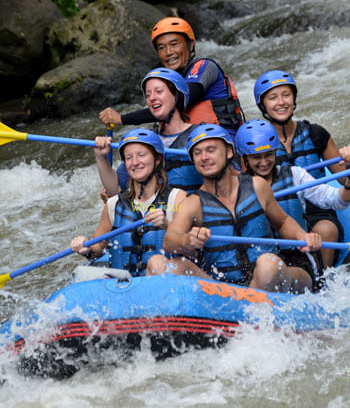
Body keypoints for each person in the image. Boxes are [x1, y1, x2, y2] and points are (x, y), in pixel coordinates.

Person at [147, 124, 321, 294]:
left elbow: (283, 222)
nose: (204, 157)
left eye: (211, 150)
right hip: (225, 290)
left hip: (273, 277)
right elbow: (169, 241)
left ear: (229, 152)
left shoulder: (257, 186)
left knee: (269, 264)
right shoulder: (193, 203)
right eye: (197, 153)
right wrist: (187, 241)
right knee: (157, 263)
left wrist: (303, 236)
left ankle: (249, 308)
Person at [234, 119, 350, 283]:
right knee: (264, 270)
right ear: (245, 158)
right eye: (256, 157)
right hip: (255, 264)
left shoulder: (296, 175)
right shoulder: (235, 187)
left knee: (273, 272)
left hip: (296, 261)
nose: (263, 162)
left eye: (268, 155)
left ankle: (319, 284)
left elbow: (337, 201)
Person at [253, 70, 350, 268]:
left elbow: (344, 178)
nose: (281, 102)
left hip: (318, 209)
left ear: (294, 99)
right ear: (263, 105)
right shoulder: (257, 142)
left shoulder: (315, 133)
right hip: (281, 210)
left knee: (325, 230)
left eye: (286, 95)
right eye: (272, 97)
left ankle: (323, 280)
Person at [71, 128, 187, 276]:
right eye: (129, 158)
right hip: (124, 287)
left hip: (163, 283)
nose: (135, 162)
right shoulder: (113, 204)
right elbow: (98, 248)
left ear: (157, 159)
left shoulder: (177, 198)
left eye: (141, 155)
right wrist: (85, 247)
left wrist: (168, 225)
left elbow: (191, 245)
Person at [99, 17, 244, 134]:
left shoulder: (205, 67)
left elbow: (179, 100)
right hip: (190, 145)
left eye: (174, 44)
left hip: (222, 143)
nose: (168, 52)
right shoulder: (166, 80)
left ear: (191, 45)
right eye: (161, 47)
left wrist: (123, 119)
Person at [101, 67, 202, 195]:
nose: (152, 98)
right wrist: (102, 159)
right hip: (153, 212)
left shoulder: (199, 136)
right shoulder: (144, 140)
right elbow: (115, 189)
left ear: (177, 96)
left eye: (159, 91)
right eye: (148, 95)